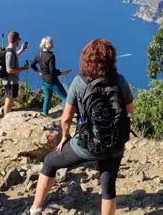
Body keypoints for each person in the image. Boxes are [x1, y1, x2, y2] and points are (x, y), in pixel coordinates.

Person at [29, 38, 135, 215]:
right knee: (108, 187)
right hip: (115, 144)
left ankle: (35, 209)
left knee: (49, 162)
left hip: (87, 145)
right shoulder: (120, 81)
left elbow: (65, 118)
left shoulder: (79, 82)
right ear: (111, 59)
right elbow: (130, 109)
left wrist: (65, 137)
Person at [30, 36, 71, 116]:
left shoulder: (39, 54)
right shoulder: (51, 56)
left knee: (47, 97)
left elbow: (32, 65)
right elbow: (52, 71)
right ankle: (66, 115)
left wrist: (38, 71)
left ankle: (45, 114)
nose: (52, 45)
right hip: (52, 81)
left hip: (44, 80)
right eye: (51, 43)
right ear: (47, 44)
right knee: (65, 97)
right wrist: (63, 73)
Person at [2, 31, 29, 115]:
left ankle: (6, 115)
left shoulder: (10, 50)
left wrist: (22, 49)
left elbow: (14, 56)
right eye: (19, 40)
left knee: (9, 100)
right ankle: (6, 120)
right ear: (17, 40)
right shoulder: (10, 53)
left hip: (10, 80)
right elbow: (9, 70)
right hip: (10, 81)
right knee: (9, 102)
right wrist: (23, 68)